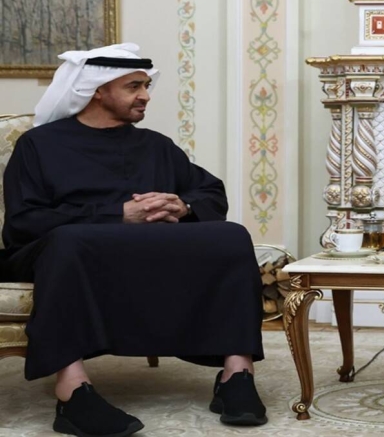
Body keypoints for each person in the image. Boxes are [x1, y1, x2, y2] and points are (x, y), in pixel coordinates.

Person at [2, 43, 268, 436]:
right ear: (97, 90)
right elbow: (24, 221)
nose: (145, 95)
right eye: (133, 86)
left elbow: (210, 192)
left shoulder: (155, 145)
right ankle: (72, 392)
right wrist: (117, 215)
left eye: (145, 85)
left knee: (231, 236)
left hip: (144, 249)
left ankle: (236, 374)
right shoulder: (39, 145)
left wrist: (183, 206)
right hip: (65, 251)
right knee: (70, 242)